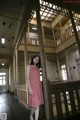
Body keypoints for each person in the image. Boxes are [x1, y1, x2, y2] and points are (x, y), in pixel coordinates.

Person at [27, 55, 44, 120]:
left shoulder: (38, 68)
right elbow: (27, 78)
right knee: (35, 105)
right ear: (33, 58)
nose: (37, 59)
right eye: (35, 58)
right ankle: (31, 115)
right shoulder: (28, 66)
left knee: (38, 105)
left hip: (38, 88)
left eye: (38, 59)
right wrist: (29, 88)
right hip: (32, 88)